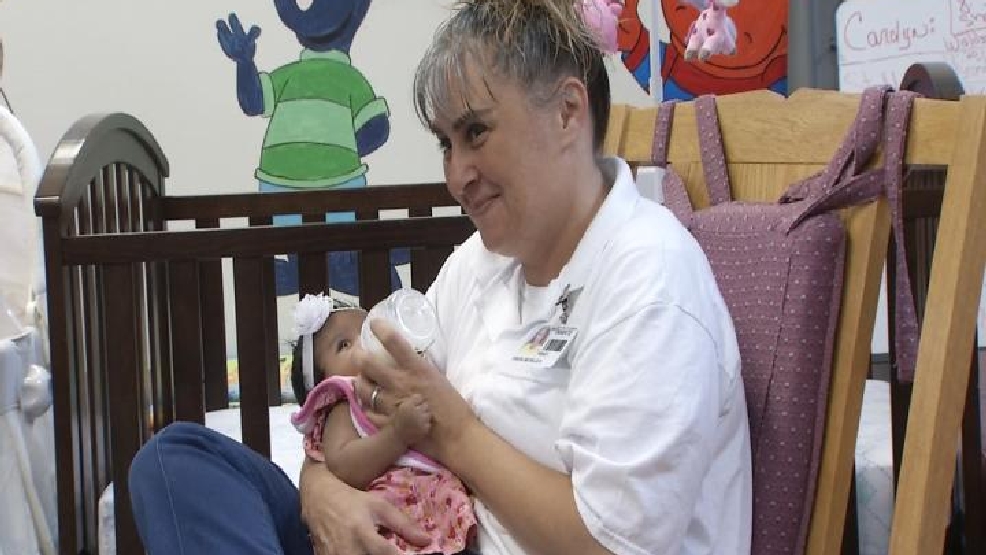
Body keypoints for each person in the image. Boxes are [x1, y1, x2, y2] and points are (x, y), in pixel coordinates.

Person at [127, 1, 752, 554]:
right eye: (445, 145)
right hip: (411, 526)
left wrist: (456, 433)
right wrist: (325, 493)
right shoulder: (482, 265)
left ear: (567, 112)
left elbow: (612, 545)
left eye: (476, 132)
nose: (457, 176)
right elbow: (361, 396)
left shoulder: (648, 284)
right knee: (176, 458)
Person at [288, 293, 477, 555]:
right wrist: (397, 435)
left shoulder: (405, 379)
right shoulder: (344, 405)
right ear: (323, 382)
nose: (364, 343)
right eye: (344, 345)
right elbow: (344, 465)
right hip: (389, 521)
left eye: (365, 328)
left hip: (436, 509)